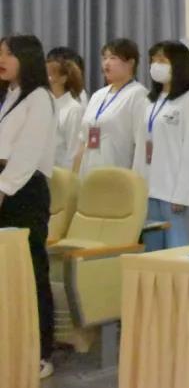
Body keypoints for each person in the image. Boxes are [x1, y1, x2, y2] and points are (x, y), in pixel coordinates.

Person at [0, 35, 57, 378]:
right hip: (6, 184)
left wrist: (4, 187)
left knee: (32, 271)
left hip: (24, 192)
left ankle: (41, 352)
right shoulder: (9, 94)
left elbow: (28, 152)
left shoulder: (40, 98)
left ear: (26, 58)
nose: (2, 59)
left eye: (8, 54)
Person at [139, 42, 189, 251]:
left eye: (162, 60)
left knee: (177, 251)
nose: (156, 65)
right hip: (150, 189)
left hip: (174, 192)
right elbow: (141, 147)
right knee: (152, 252)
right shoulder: (150, 101)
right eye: (153, 60)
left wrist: (182, 193)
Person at [77, 39, 149, 177]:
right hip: (88, 173)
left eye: (113, 58)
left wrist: (137, 180)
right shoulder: (98, 95)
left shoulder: (139, 95)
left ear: (131, 63)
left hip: (118, 175)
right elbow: (83, 139)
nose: (106, 63)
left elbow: (142, 145)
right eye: (104, 58)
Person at [46, 53, 85, 170]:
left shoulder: (73, 109)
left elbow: (73, 151)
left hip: (61, 174)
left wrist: (68, 178)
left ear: (63, 79)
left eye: (48, 75)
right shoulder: (45, 105)